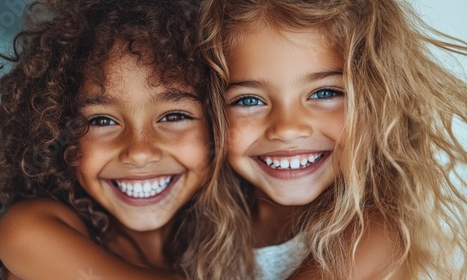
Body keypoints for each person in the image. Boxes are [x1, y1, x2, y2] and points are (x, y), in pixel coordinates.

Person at [0, 0, 248, 279]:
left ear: (218, 123)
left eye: (174, 116)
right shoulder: (31, 228)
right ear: (57, 134)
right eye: (101, 121)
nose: (139, 152)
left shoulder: (236, 235)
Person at [196, 0, 467, 279]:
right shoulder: (205, 222)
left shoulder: (370, 235)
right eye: (249, 99)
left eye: (324, 93)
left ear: (377, 100)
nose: (288, 129)